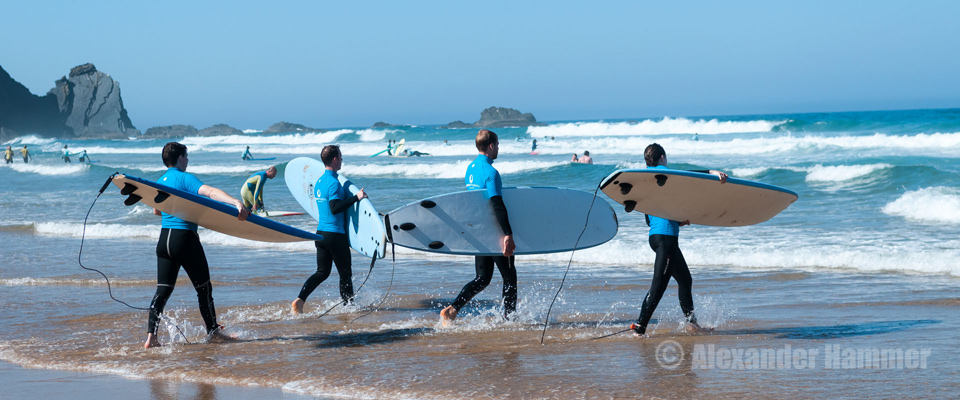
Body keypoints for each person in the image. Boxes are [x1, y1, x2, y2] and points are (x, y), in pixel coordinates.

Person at [145, 142, 250, 348]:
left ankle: (151, 338)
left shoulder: (161, 180)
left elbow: (157, 211)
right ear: (181, 158)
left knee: (162, 291)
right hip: (184, 239)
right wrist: (235, 202)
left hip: (164, 240)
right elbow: (210, 192)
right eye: (187, 156)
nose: (188, 160)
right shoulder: (185, 178)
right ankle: (213, 332)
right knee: (204, 288)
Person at [631, 143, 727, 337]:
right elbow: (689, 176)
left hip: (657, 237)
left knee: (685, 280)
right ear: (662, 158)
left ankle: (691, 323)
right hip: (666, 239)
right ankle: (640, 327)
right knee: (659, 285)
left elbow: (649, 215)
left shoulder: (647, 180)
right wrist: (711, 171)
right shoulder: (667, 173)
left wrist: (675, 220)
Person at [441, 129, 517, 323]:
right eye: (497, 145)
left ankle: (452, 309)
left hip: (478, 230)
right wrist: (507, 233)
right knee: (509, 277)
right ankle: (510, 319)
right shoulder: (491, 172)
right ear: (491, 145)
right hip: (494, 231)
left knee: (482, 278)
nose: (498, 148)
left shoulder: (471, 169)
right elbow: (496, 204)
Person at [291, 145, 367, 314]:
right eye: (340, 157)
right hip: (335, 236)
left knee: (322, 272)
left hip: (321, 235)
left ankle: (300, 300)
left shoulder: (319, 182)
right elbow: (335, 207)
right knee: (345, 274)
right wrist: (357, 197)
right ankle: (349, 308)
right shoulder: (333, 183)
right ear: (334, 159)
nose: (342, 160)